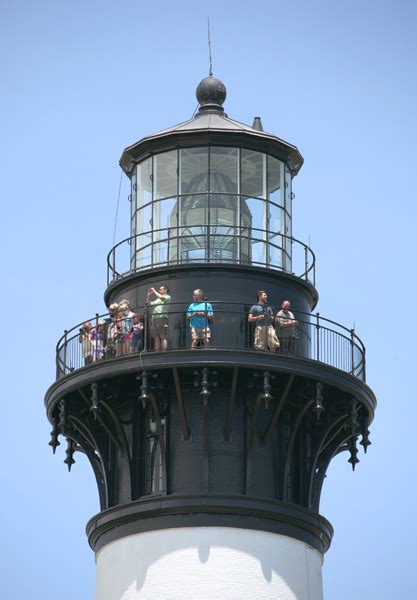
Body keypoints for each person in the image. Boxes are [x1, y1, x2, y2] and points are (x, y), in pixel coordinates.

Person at [146, 285, 171, 351]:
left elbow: (161, 297)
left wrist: (154, 290)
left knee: (163, 336)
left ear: (165, 290)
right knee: (156, 337)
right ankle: (157, 352)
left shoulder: (167, 297)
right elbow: (149, 304)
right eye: (159, 289)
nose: (159, 291)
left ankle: (164, 351)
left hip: (162, 317)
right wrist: (148, 295)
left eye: (161, 289)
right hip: (154, 319)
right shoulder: (157, 300)